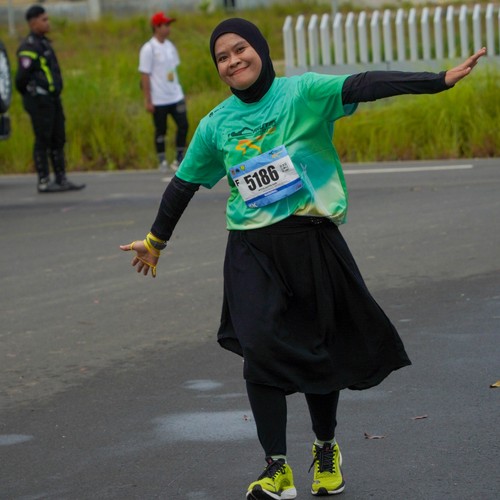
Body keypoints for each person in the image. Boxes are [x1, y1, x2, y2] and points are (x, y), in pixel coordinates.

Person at [121, 18, 486, 499]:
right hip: (250, 248)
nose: (233, 61)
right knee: (258, 349)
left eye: (239, 49)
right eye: (222, 58)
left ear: (260, 48)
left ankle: (325, 447)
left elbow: (364, 84)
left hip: (311, 240)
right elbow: (182, 185)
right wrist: (155, 241)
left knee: (318, 348)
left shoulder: (302, 93)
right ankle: (276, 468)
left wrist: (437, 80)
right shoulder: (216, 124)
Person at [15, 4, 84, 193]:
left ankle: (61, 179)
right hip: (39, 101)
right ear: (33, 23)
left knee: (58, 138)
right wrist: (33, 94)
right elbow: (21, 79)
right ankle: (44, 181)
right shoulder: (29, 46)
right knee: (43, 139)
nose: (48, 23)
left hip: (53, 100)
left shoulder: (44, 43)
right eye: (44, 20)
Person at [139, 12, 189, 174]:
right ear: (156, 27)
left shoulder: (170, 46)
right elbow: (145, 75)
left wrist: (180, 90)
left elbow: (173, 71)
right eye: (166, 25)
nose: (169, 28)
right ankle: (162, 160)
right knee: (161, 130)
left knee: (184, 125)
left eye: (169, 25)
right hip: (159, 99)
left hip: (175, 96)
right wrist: (148, 100)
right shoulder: (149, 49)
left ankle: (179, 158)